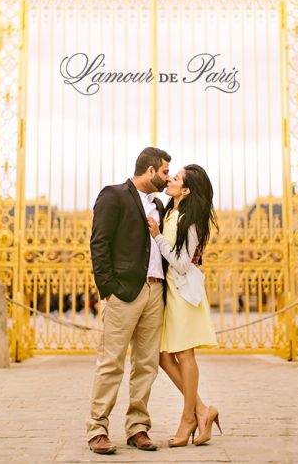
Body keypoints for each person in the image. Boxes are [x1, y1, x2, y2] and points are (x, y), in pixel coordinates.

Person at [87, 147, 171, 454]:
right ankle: (97, 428)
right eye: (164, 171)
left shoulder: (159, 205)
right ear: (149, 171)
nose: (167, 177)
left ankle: (138, 427)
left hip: (154, 292)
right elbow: (99, 243)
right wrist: (107, 288)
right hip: (123, 292)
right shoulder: (113, 195)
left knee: (146, 364)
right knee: (111, 363)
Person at [146, 164, 220, 447]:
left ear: (186, 190)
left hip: (184, 295)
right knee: (164, 357)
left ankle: (188, 417)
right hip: (170, 293)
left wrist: (157, 236)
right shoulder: (169, 211)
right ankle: (202, 410)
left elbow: (181, 262)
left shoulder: (192, 219)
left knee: (184, 356)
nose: (170, 180)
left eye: (175, 179)